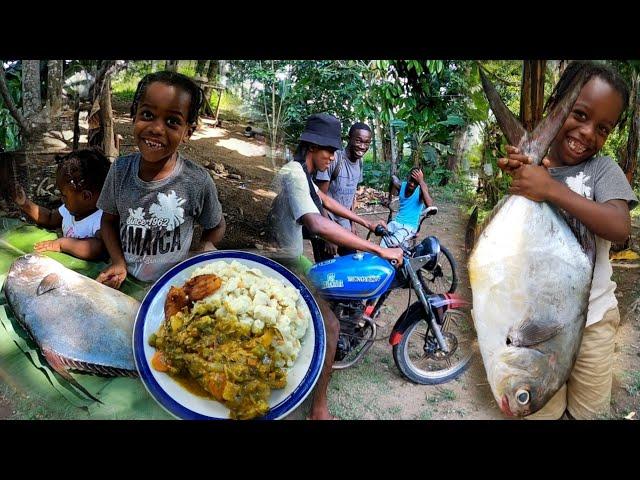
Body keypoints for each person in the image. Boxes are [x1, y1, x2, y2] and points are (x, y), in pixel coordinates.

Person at [497, 61, 638, 419]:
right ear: (555, 107)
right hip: (538, 328)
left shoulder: (602, 170)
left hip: (593, 323)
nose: (588, 133)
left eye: (603, 128)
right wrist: (524, 181)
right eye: (579, 115)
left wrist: (550, 189)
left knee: (587, 411)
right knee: (538, 407)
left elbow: (620, 227)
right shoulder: (531, 173)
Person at [270, 113, 403, 419]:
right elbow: (317, 222)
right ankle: (318, 409)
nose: (331, 157)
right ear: (312, 146)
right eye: (328, 150)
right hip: (285, 263)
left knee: (334, 286)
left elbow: (326, 202)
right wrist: (377, 250)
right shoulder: (293, 173)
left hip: (291, 257)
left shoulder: (302, 173)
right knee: (329, 325)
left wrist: (364, 221)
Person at [96, 71, 226, 289]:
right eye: (147, 115)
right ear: (134, 116)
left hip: (171, 287)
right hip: (125, 281)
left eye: (172, 121)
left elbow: (217, 225)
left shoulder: (196, 181)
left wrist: (204, 248)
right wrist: (118, 262)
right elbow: (108, 222)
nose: (156, 129)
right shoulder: (119, 170)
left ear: (188, 132)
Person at [11, 148, 110, 260]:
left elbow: (98, 248)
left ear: (86, 196)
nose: (61, 198)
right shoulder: (71, 209)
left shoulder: (102, 219)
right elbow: (49, 218)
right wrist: (25, 203)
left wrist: (62, 244)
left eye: (64, 195)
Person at [312, 122, 372, 260]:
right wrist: (327, 236)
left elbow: (352, 195)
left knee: (352, 263)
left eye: (367, 142)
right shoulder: (334, 159)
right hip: (325, 223)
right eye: (358, 141)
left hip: (344, 226)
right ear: (349, 138)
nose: (362, 146)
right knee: (326, 271)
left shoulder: (360, 162)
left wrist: (352, 224)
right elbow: (319, 199)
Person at [380, 167, 434, 248]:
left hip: (409, 227)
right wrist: (389, 199)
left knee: (389, 245)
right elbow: (393, 178)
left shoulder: (420, 191)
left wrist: (421, 182)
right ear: (407, 177)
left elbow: (430, 204)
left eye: (415, 182)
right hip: (395, 223)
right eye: (411, 180)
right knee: (383, 239)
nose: (412, 184)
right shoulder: (402, 186)